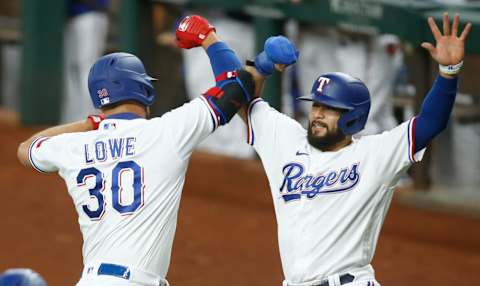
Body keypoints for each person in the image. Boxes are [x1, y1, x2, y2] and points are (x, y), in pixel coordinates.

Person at [182, 13, 471, 286]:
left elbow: (430, 123)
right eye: (317, 105)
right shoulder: (285, 141)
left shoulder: (375, 155)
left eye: (330, 109)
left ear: (353, 117)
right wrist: (244, 58)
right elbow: (237, 96)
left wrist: (448, 73)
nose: (318, 114)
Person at [16, 15, 255, 286]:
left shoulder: (74, 145)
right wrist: (208, 38)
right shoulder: (166, 133)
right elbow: (236, 85)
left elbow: (27, 149)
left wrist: (89, 124)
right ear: (145, 90)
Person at [61, 0, 110, 123]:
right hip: (71, 17)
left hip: (90, 14)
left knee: (88, 68)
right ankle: (73, 120)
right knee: (72, 70)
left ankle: (91, 119)